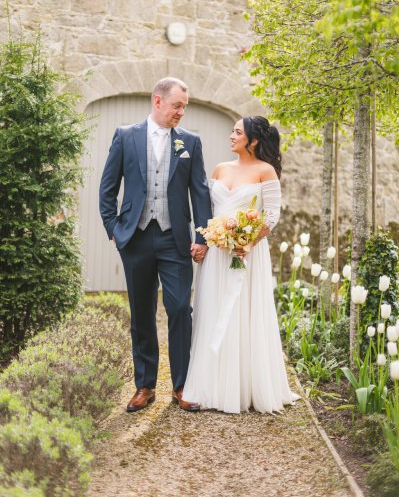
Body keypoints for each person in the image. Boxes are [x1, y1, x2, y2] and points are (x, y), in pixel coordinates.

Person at [99, 77, 212, 413]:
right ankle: (145, 386)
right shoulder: (125, 136)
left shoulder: (191, 141)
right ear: (158, 101)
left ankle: (181, 386)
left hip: (174, 239)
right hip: (135, 238)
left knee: (180, 309)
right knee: (142, 313)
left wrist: (202, 237)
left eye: (184, 107)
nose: (181, 112)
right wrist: (116, 232)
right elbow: (107, 190)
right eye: (177, 105)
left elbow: (200, 192)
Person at [183, 116, 299, 413]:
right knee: (211, 310)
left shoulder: (266, 171)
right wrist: (206, 241)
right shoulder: (221, 169)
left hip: (247, 254)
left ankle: (244, 387)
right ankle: (210, 385)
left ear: (254, 140)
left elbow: (271, 216)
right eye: (232, 131)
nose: (231, 135)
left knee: (242, 312)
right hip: (217, 254)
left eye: (237, 132)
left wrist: (247, 243)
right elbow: (208, 212)